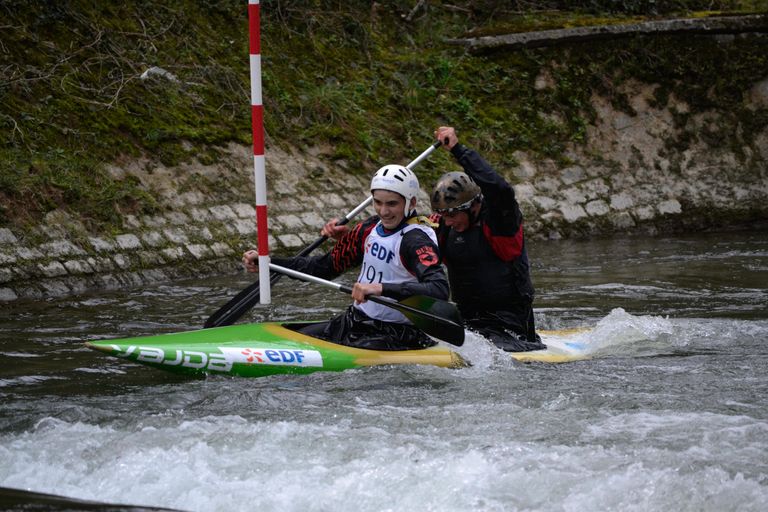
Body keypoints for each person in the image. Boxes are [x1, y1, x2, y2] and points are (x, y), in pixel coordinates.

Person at [242, 164, 449, 351]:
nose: (384, 211)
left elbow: (438, 289)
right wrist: (270, 263)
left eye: (392, 204)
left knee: (360, 348)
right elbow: (323, 268)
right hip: (356, 321)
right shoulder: (369, 228)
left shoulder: (416, 240)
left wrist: (381, 288)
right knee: (297, 337)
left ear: (411, 202)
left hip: (398, 334)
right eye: (378, 202)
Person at [429, 126, 545, 352]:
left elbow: (500, 189)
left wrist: (458, 150)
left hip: (509, 326)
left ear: (474, 206)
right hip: (467, 322)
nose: (448, 221)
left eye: (453, 214)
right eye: (444, 215)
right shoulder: (443, 225)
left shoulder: (500, 224)